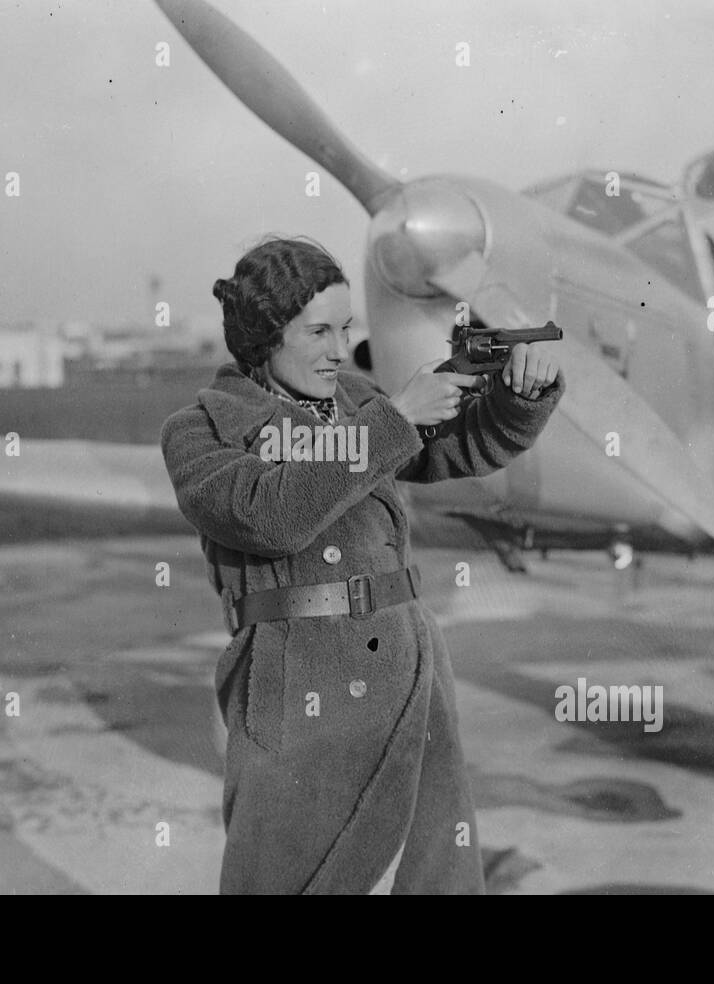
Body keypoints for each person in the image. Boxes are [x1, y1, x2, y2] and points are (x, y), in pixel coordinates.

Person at [160, 236, 563, 894]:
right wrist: (395, 417)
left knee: (431, 870)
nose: (339, 349)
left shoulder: (356, 398)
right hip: (294, 681)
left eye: (345, 328)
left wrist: (521, 393)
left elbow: (464, 447)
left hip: (407, 667)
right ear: (265, 335)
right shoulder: (200, 429)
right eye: (318, 331)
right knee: (290, 874)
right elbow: (269, 516)